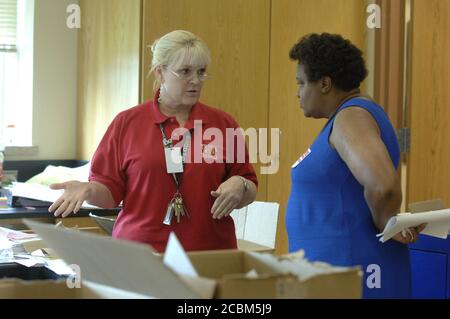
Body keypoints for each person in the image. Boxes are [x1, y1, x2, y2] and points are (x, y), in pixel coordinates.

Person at [48, 30, 258, 253]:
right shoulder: (126, 123)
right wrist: (89, 190)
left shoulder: (223, 123)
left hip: (210, 254)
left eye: (201, 72)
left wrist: (241, 184)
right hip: (141, 255)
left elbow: (249, 187)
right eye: (185, 72)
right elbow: (110, 194)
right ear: (160, 72)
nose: (195, 80)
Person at [286, 33, 425, 298]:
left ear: (325, 83)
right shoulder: (348, 115)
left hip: (359, 277)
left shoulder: (351, 117)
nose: (298, 92)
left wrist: (386, 221)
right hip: (338, 275)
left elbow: (383, 186)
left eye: (301, 83)